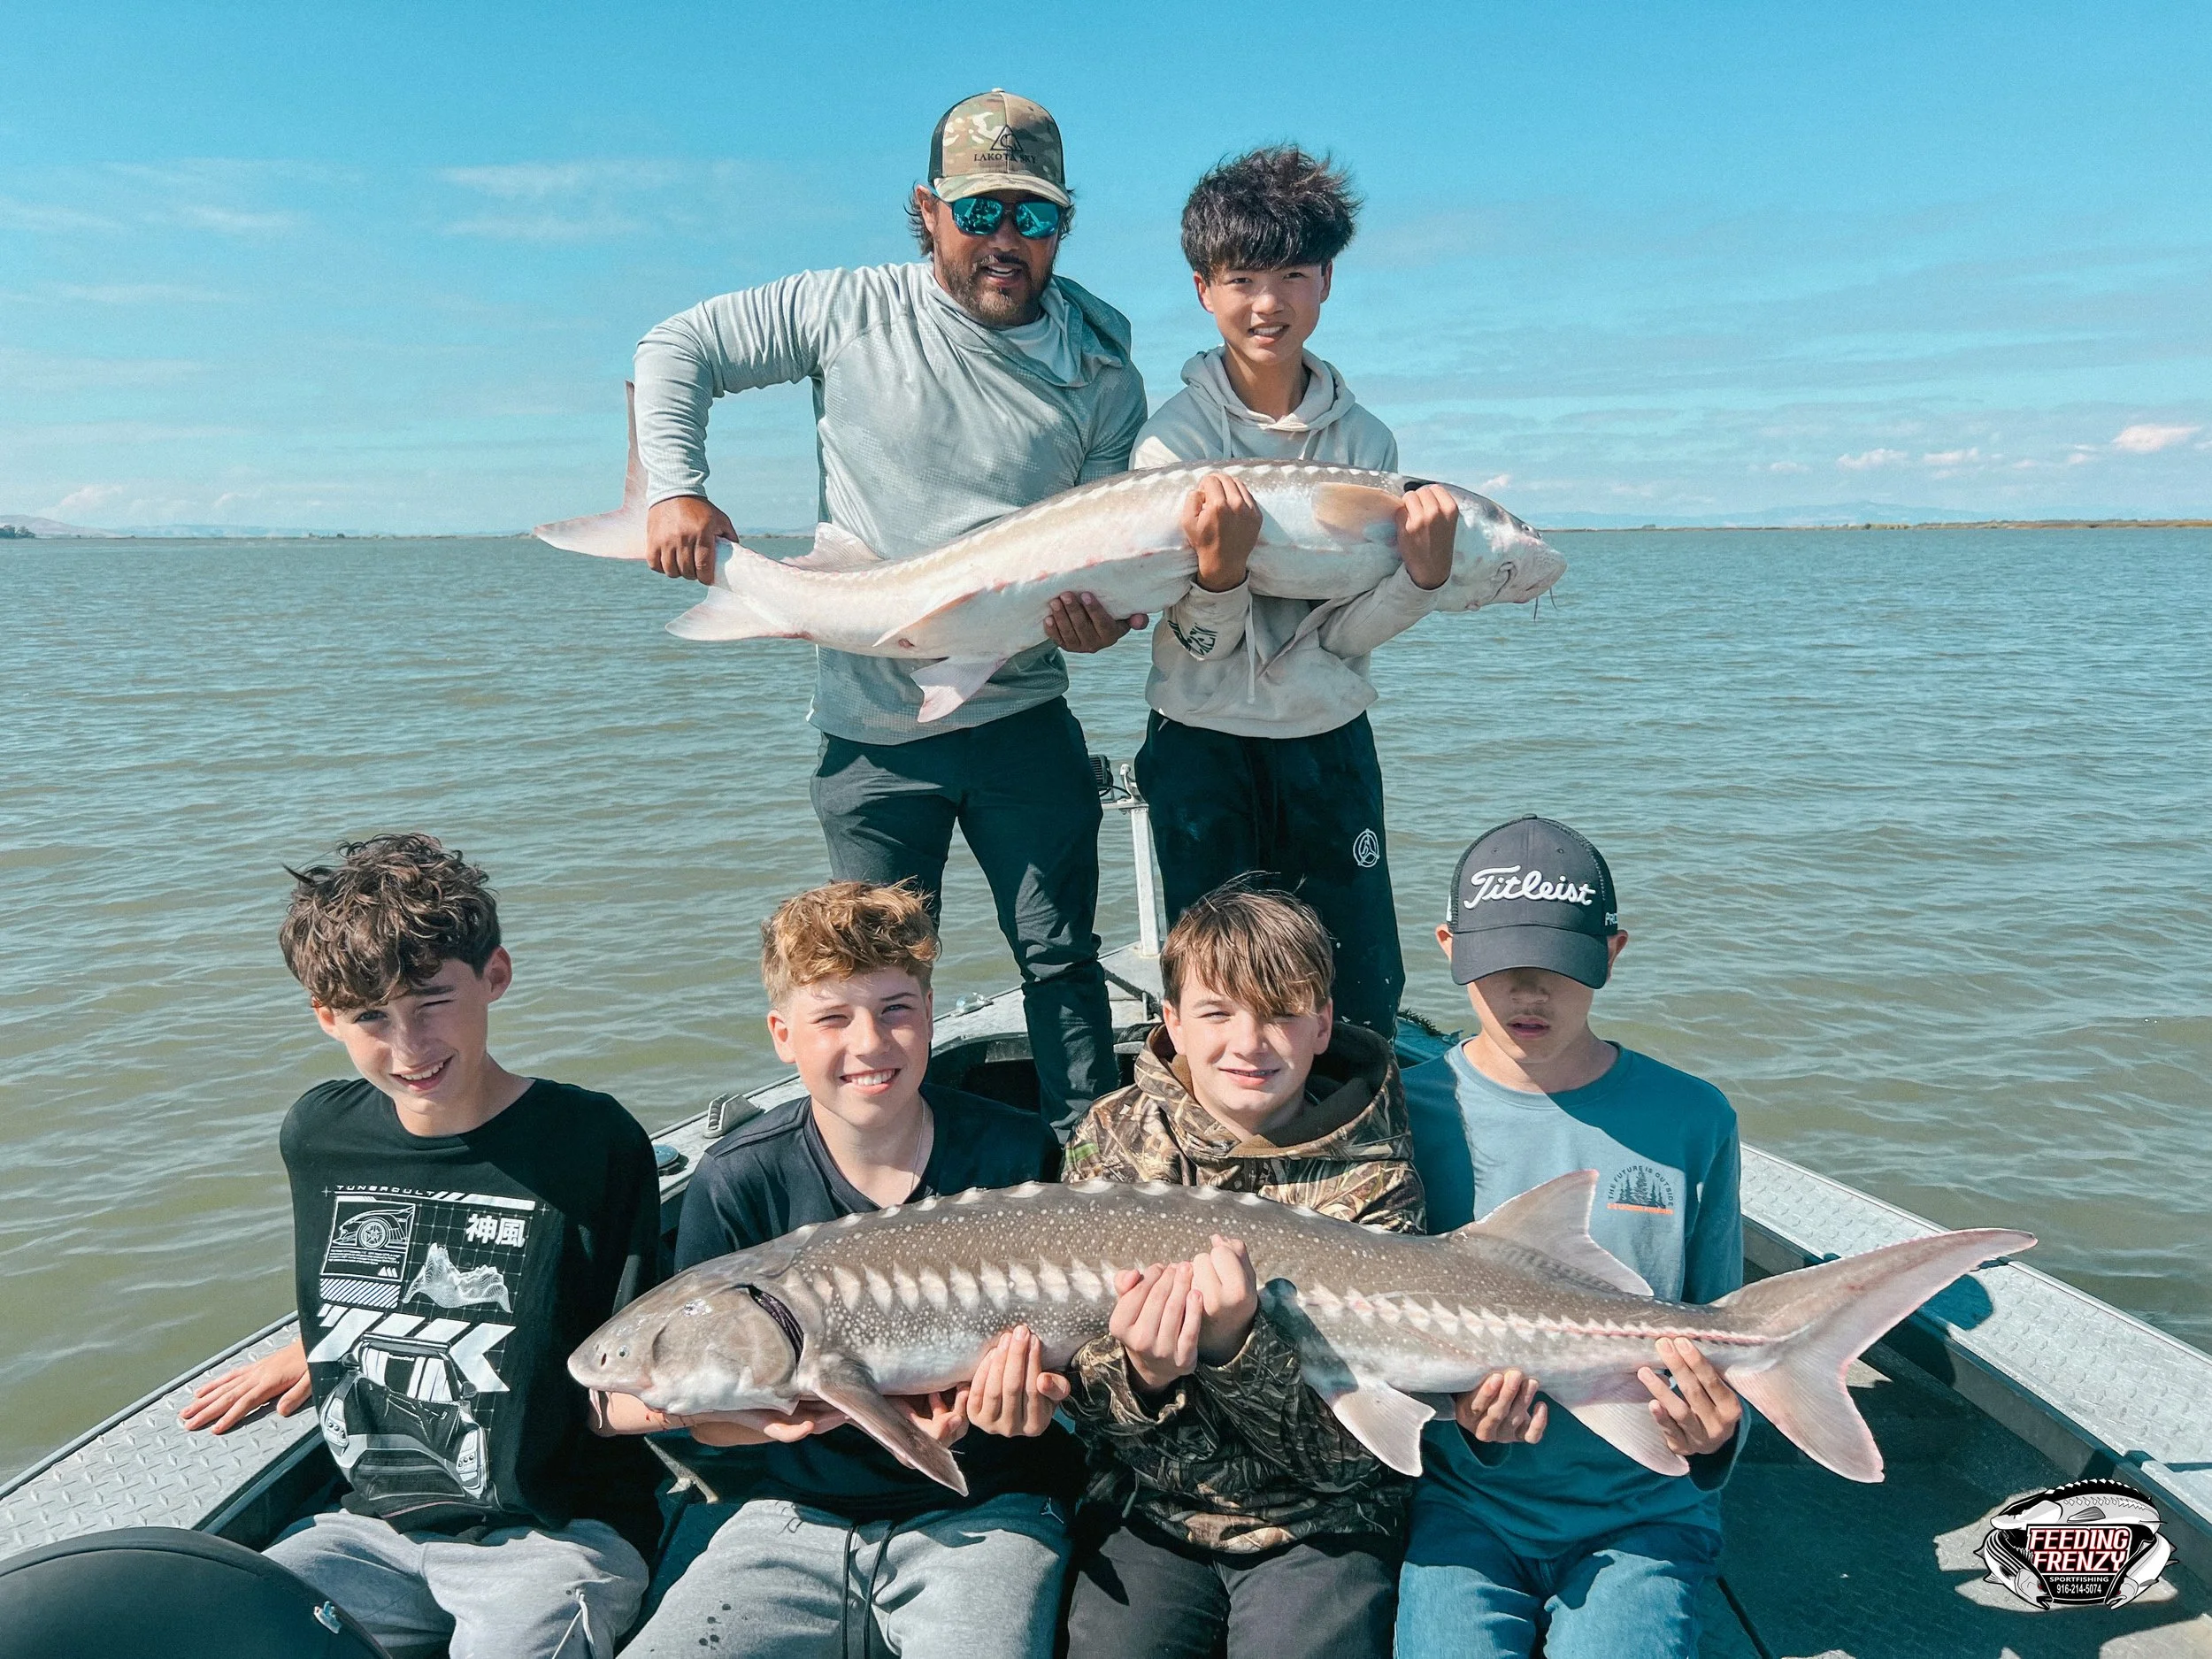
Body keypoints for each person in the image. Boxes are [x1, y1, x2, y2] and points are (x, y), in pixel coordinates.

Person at [634, 88, 1148, 1140]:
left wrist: (1096, 622)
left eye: (1034, 217)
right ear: (928, 210)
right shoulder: (851, 307)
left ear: (1063, 227)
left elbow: (1095, 549)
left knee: (1062, 958)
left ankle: (1097, 1164)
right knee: (875, 978)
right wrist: (672, 486)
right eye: (980, 211)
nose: (1006, 239)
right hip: (871, 733)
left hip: (1021, 716)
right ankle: (888, 1176)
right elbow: (675, 346)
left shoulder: (1104, 371)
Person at [181, 834, 664, 1658]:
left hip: (556, 1533)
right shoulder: (318, 1134)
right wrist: (318, 1342)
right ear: (326, 1016)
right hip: (364, 1528)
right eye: (370, 1015)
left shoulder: (592, 1141)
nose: (409, 1046)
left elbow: (639, 1346)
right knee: (208, 1632)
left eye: (432, 998)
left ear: (496, 977)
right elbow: (378, 1272)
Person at [605, 880, 1079, 1659]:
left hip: (991, 1504)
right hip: (789, 1513)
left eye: (896, 1008)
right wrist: (760, 1421)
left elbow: (1071, 1369)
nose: (870, 1042)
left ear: (931, 1011)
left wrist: (1030, 1403)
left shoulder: (1014, 1153)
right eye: (832, 1017)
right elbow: (709, 1418)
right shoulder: (737, 1179)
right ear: (783, 1034)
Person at [1129, 147, 1465, 1036]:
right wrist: (1221, 574)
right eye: (1241, 277)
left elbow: (1349, 633)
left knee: (1354, 991)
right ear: (1203, 289)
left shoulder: (1368, 444)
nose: (1267, 302)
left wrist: (1424, 580)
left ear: (1326, 283)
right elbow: (1196, 639)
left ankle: (1356, 1158)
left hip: (1329, 744)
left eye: (1291, 275)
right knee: (1217, 993)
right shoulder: (1171, 445)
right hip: (1201, 743)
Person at [1395, 817, 1746, 1659]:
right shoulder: (1401, 1114)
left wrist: (1717, 1438)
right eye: (1503, 963)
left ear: (1613, 952)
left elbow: (1721, 1327)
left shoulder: (1692, 1119)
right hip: (1461, 1504)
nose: (1530, 990)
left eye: (1562, 964)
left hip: (1646, 1506)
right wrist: (1467, 1428)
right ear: (1448, 945)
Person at [1049, 883, 1427, 1659]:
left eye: (1282, 1012)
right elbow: (1083, 1398)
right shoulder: (1111, 1139)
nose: (1249, 1042)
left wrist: (1233, 1347)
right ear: (1173, 1022)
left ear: (1323, 1025)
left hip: (1326, 1519)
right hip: (1150, 1505)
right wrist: (1144, 1375)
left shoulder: (1375, 1171)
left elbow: (1352, 1456)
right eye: (1218, 1013)